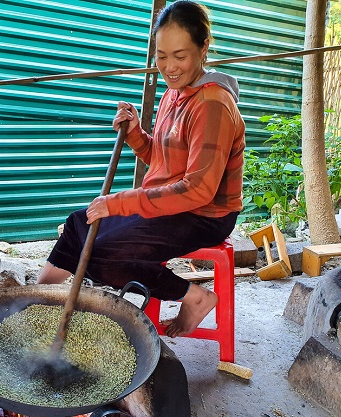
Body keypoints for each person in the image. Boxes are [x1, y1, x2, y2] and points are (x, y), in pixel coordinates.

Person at [37, 0, 245, 338]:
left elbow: (197, 189)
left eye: (180, 56)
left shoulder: (212, 106)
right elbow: (162, 160)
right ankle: (40, 302)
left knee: (99, 253)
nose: (169, 67)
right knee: (80, 223)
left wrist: (121, 202)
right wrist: (135, 133)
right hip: (170, 203)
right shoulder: (174, 93)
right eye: (161, 57)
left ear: (204, 47)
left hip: (205, 214)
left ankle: (196, 297)